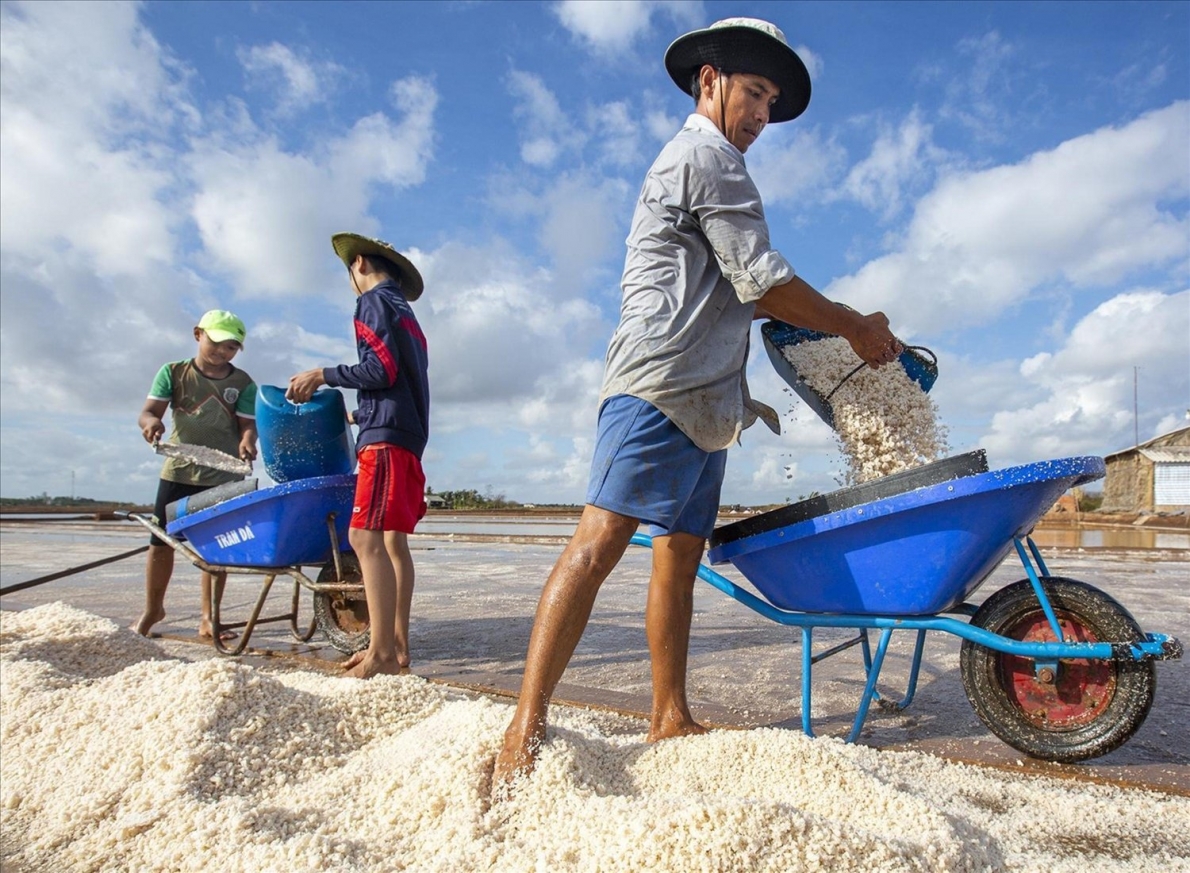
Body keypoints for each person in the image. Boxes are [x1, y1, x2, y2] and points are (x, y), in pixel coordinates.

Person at [492, 17, 904, 793]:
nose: (761, 116)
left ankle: (669, 712)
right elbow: (761, 279)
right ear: (708, 80)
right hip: (658, 383)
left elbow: (734, 295)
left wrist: (818, 322)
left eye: (772, 103)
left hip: (710, 402)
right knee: (597, 542)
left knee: (677, 558)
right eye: (753, 93)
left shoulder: (716, 163)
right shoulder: (706, 157)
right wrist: (850, 323)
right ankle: (524, 726)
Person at [287, 233, 430, 679]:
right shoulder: (407, 314)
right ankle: (396, 646)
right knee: (391, 542)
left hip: (386, 440)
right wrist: (363, 413)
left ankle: (382, 656)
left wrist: (323, 374)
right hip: (404, 432)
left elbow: (379, 369)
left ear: (361, 263)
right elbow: (399, 379)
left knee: (363, 539)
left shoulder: (372, 303)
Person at [136, 309, 258, 640]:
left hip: (222, 473)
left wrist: (248, 440)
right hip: (179, 469)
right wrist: (152, 425)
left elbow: (247, 424)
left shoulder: (242, 382)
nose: (222, 352)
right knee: (161, 543)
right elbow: (148, 412)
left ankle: (209, 617)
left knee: (216, 548)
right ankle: (153, 609)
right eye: (217, 343)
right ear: (198, 334)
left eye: (231, 347)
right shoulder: (174, 373)